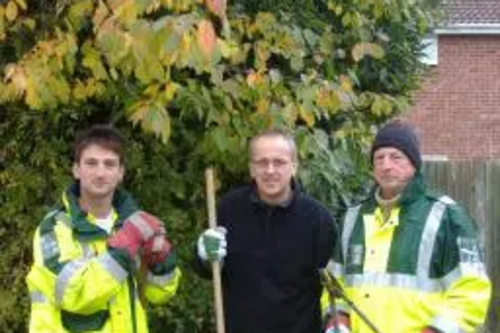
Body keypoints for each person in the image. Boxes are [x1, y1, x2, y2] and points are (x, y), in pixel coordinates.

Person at [325, 120, 492, 333]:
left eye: (396, 157)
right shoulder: (352, 218)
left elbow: (471, 293)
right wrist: (337, 323)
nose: (386, 165)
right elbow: (334, 286)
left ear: (414, 164)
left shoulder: (447, 218)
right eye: (379, 158)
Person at [26, 125, 181, 332]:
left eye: (109, 164)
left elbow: (159, 294)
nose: (100, 173)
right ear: (76, 170)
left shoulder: (133, 224)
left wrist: (162, 263)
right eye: (91, 163)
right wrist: (124, 248)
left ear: (121, 173)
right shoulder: (54, 229)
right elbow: (74, 294)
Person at [194, 129, 337, 333]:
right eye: (262, 162)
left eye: (279, 162)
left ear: (294, 167)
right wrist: (204, 257)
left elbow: (332, 284)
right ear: (252, 169)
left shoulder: (317, 219)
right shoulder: (228, 209)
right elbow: (208, 270)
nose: (270, 170)